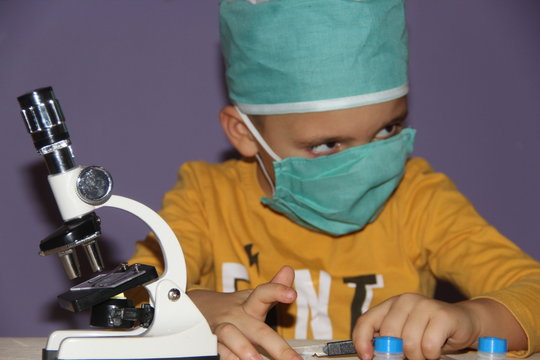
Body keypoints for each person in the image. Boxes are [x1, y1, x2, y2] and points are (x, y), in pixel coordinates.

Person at [128, 1, 540, 360]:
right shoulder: (206, 198)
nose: (363, 168)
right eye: (327, 146)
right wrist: (202, 309)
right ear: (244, 133)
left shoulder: (419, 198)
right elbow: (127, 292)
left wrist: (472, 318)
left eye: (387, 131)